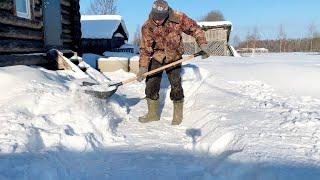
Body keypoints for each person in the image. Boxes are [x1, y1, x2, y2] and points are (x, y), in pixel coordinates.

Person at [137, 0, 211, 125]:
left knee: (176, 84)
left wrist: (203, 44)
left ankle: (177, 114)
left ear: (166, 14)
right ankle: (153, 114)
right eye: (156, 18)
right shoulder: (147, 27)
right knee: (151, 83)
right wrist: (143, 68)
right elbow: (145, 49)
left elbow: (195, 29)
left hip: (174, 56)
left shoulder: (178, 17)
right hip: (158, 55)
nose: (158, 21)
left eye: (161, 18)